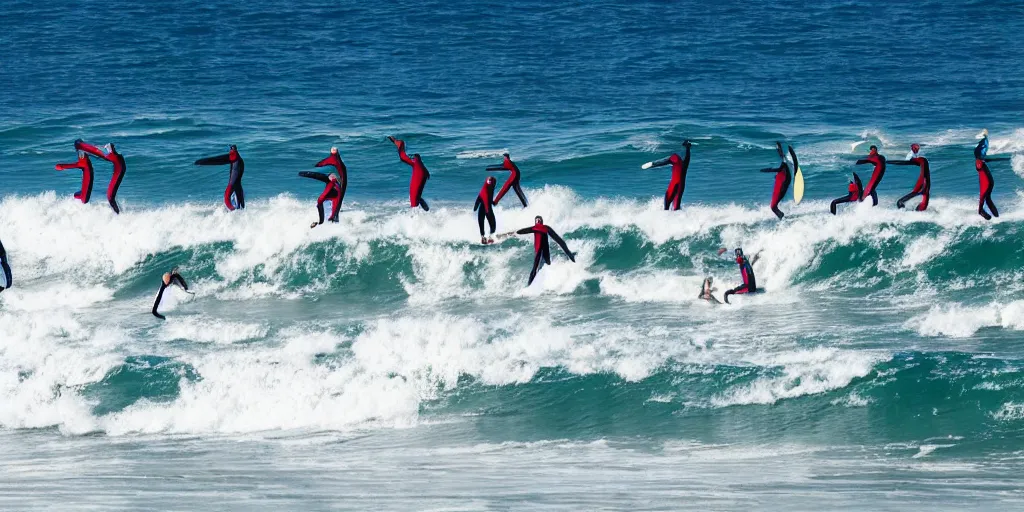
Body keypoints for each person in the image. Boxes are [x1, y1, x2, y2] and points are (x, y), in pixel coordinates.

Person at [514, 216, 575, 286]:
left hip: (539, 253)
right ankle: (550, 283)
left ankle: (529, 287)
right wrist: (569, 253)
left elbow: (521, 231)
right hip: (546, 251)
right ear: (542, 221)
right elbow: (559, 240)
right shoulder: (546, 228)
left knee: (534, 270)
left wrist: (516, 232)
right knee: (547, 265)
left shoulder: (534, 228)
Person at [75, 139, 126, 214]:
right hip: (119, 167)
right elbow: (96, 151)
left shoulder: (109, 154)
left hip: (119, 169)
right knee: (111, 197)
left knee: (110, 197)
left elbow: (97, 152)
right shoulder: (112, 154)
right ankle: (120, 214)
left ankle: (120, 215)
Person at [645, 140, 692, 211]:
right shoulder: (686, 160)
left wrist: (651, 164)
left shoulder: (674, 158)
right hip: (681, 186)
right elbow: (687, 153)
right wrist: (688, 147)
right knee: (676, 208)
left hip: (674, 184)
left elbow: (662, 162)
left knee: (666, 206)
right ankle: (679, 220)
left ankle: (665, 219)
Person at [195, 145, 245, 211]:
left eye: (231, 149)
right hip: (237, 183)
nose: (230, 151)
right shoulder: (240, 159)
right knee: (240, 200)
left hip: (233, 183)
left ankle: (233, 211)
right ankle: (241, 213)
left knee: (227, 197)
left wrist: (202, 162)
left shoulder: (234, 156)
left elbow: (219, 160)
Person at [974, 130, 1009, 220]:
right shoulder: (980, 163)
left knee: (985, 198)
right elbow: (984, 160)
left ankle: (988, 214)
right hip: (989, 183)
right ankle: (996, 215)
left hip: (988, 183)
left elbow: (981, 160)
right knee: (987, 198)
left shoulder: (979, 164)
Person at [388, 136, 430, 211]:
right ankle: (426, 210)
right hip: (421, 167)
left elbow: (405, 157)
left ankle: (418, 216)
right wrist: (425, 170)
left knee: (414, 199)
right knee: (416, 197)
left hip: (419, 167)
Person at [759, 142, 795, 219]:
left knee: (773, 206)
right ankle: (781, 216)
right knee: (773, 206)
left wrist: (767, 170)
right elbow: (781, 168)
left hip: (783, 184)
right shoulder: (785, 163)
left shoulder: (784, 164)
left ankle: (782, 217)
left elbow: (779, 169)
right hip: (784, 182)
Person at [890, 143, 930, 211]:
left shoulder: (921, 160)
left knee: (899, 203)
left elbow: (911, 162)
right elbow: (909, 162)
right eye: (916, 148)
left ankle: (904, 214)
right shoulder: (920, 159)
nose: (917, 150)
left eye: (918, 148)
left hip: (921, 187)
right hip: (923, 187)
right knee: (900, 202)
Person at [474, 176, 498, 244]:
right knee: (492, 223)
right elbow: (485, 199)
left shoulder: (487, 188)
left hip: (484, 208)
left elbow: (479, 200)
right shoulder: (489, 187)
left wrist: (475, 207)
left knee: (482, 221)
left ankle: (484, 237)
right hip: (487, 208)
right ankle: (489, 237)